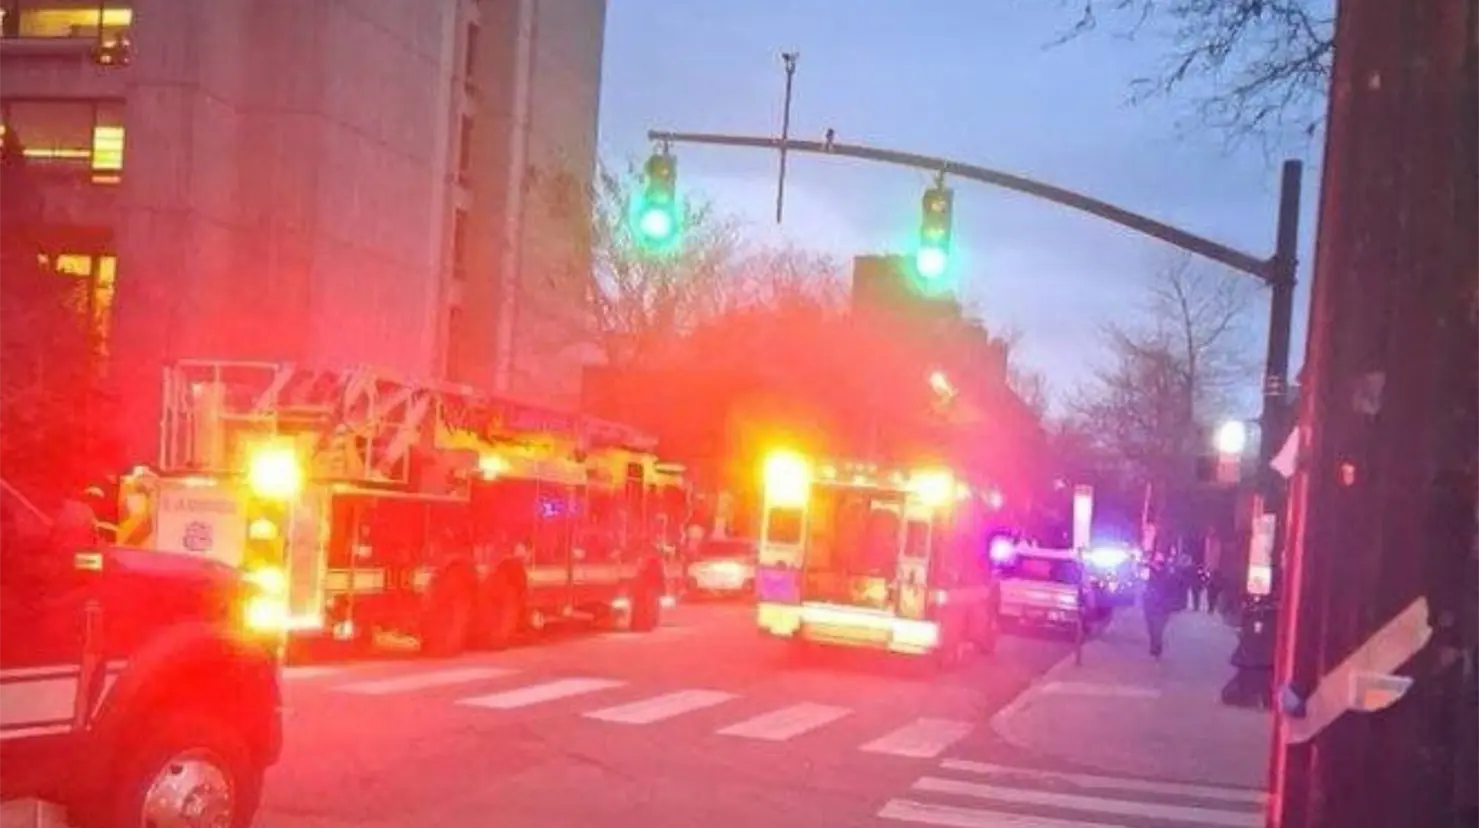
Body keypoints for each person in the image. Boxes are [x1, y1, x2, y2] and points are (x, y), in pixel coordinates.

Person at [1142, 553, 1178, 657]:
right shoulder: (1149, 574)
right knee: (1151, 629)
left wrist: (1171, 605)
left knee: (1158, 629)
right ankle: (1154, 645)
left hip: (1163, 607)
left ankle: (1157, 648)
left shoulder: (1168, 575)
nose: (1155, 565)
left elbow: (1173, 590)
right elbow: (1143, 586)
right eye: (1154, 563)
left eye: (1158, 563)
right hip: (1150, 605)